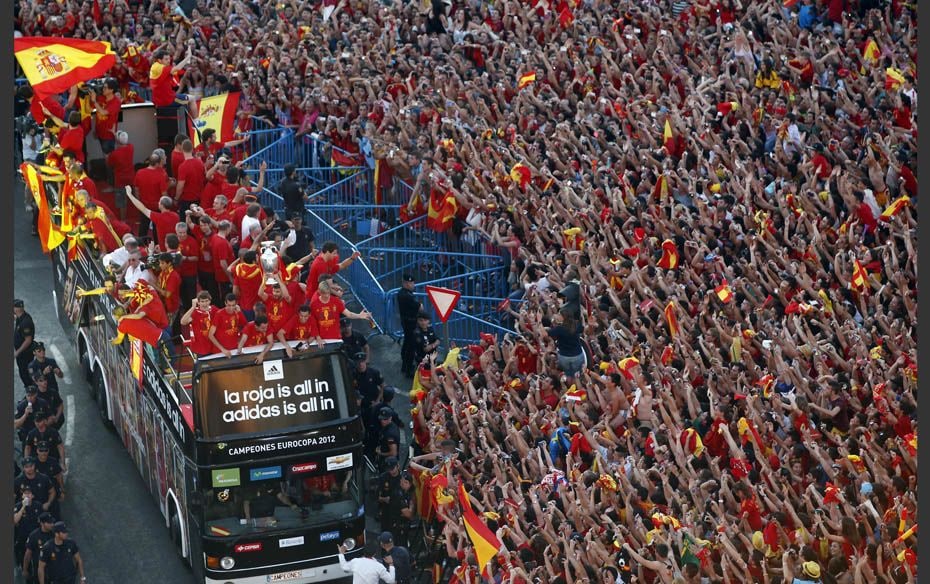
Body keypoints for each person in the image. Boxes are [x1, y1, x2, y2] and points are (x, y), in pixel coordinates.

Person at [208, 293, 247, 358]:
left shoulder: (238, 312)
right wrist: (223, 350)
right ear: (225, 303)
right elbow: (210, 335)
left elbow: (246, 327)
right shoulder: (219, 314)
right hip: (220, 352)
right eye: (229, 305)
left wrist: (240, 312)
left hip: (234, 350)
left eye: (233, 305)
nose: (231, 308)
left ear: (236, 304)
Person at [396, 274, 421, 377]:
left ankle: (405, 365)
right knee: (410, 346)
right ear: (406, 283)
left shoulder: (402, 293)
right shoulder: (407, 296)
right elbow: (420, 307)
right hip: (410, 323)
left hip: (406, 322)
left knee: (407, 343)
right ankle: (408, 368)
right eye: (411, 283)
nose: (413, 285)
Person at [91, 77, 122, 154]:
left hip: (108, 136)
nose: (103, 89)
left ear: (111, 90)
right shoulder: (101, 97)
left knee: (109, 157)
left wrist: (94, 101)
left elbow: (103, 112)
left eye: (105, 88)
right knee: (104, 155)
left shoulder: (116, 102)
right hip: (99, 132)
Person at [23, 512, 56, 584]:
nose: (52, 524)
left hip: (54, 569)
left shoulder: (55, 534)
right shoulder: (34, 536)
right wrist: (25, 569)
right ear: (42, 523)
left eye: (52, 522)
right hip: (40, 569)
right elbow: (28, 554)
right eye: (49, 522)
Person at [180, 292, 215, 357]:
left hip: (213, 346)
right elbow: (183, 322)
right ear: (198, 303)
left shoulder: (213, 309)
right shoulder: (195, 313)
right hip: (201, 348)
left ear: (210, 301)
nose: (204, 304)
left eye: (206, 301)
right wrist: (193, 307)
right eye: (202, 301)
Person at [14, 299, 36, 388]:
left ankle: (31, 392)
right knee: (23, 373)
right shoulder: (21, 316)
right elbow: (16, 317)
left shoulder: (25, 322)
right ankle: (30, 392)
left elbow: (28, 340)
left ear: (16, 309)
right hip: (22, 354)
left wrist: (17, 352)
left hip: (25, 354)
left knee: (26, 374)